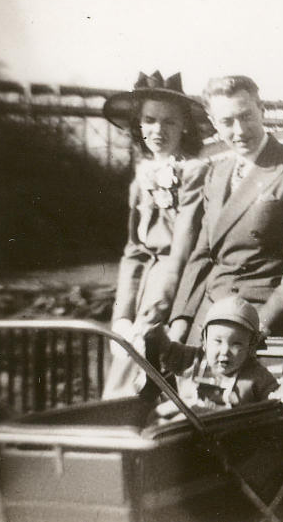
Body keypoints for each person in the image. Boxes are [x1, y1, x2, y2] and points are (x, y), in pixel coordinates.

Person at [168, 75, 283, 345]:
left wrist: (260, 324)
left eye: (246, 116)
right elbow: (202, 255)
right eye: (227, 122)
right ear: (213, 122)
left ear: (262, 109)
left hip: (259, 322)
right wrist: (180, 319)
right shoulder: (216, 175)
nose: (240, 130)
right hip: (207, 316)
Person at [101, 70, 212, 399]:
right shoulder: (142, 174)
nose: (158, 130)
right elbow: (133, 250)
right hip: (144, 284)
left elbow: (182, 246)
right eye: (149, 120)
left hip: (176, 286)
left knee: (148, 365)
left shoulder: (194, 172)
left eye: (169, 122)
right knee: (126, 353)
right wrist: (122, 313)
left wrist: (154, 312)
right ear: (139, 124)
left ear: (185, 126)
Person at [150, 295, 281, 418]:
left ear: (250, 346)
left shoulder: (255, 374)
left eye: (236, 344)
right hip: (186, 422)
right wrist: (156, 331)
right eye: (218, 341)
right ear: (205, 341)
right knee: (157, 415)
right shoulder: (193, 359)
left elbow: (274, 397)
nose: (224, 351)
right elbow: (167, 352)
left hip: (226, 433)